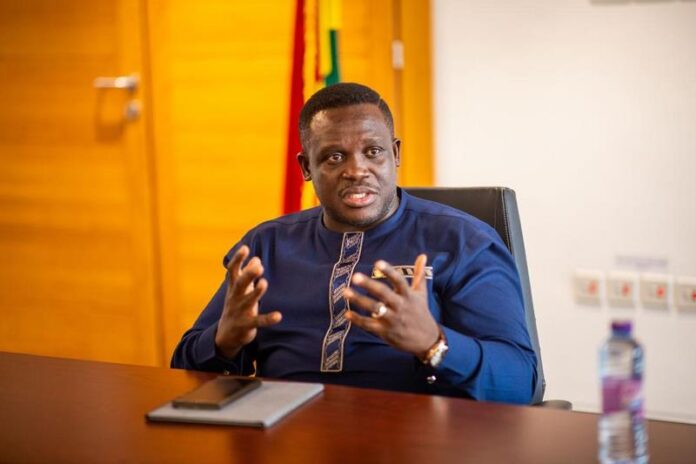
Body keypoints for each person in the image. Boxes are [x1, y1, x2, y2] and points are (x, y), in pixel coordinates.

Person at [171, 82, 537, 404]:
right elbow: (181, 371)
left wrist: (434, 343)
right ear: (306, 167)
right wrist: (223, 342)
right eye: (334, 157)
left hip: (418, 437)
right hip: (287, 436)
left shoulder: (464, 241)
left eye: (373, 151)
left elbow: (521, 381)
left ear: (395, 154)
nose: (356, 170)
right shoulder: (266, 245)